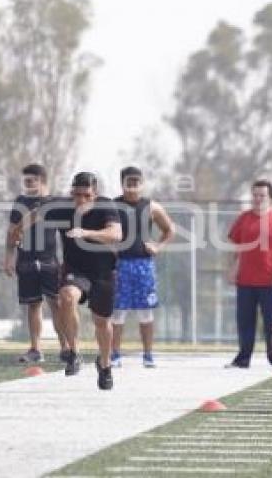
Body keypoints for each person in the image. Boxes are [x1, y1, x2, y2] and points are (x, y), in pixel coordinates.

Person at [18, 172, 122, 390]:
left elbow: (115, 234)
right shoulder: (63, 206)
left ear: (95, 194)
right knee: (66, 296)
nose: (81, 200)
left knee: (102, 322)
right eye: (77, 195)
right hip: (76, 269)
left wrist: (85, 232)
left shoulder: (106, 206)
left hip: (103, 272)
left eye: (86, 195)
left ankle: (104, 364)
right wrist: (18, 231)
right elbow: (36, 214)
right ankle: (73, 352)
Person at [225, 179, 272, 368]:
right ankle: (243, 358)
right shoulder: (244, 218)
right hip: (246, 280)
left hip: (270, 281)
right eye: (254, 195)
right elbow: (236, 248)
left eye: (262, 195)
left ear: (270, 198)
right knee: (245, 321)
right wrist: (232, 269)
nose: (257, 199)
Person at [110, 166, 174, 368]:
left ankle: (148, 355)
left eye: (136, 182)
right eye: (129, 183)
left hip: (143, 265)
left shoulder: (152, 207)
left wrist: (158, 246)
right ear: (122, 184)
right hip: (118, 265)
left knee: (145, 312)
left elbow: (169, 230)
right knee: (117, 312)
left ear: (142, 183)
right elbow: (102, 231)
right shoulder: (112, 206)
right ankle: (115, 354)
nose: (133, 187)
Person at [4, 163, 68, 363]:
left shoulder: (55, 202)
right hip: (26, 261)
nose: (27, 184)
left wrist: (68, 262)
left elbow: (66, 234)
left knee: (56, 303)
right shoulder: (20, 202)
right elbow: (12, 231)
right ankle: (35, 349)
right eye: (25, 181)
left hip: (50, 261)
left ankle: (66, 348)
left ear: (42, 181)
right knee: (33, 305)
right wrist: (9, 257)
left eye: (30, 181)